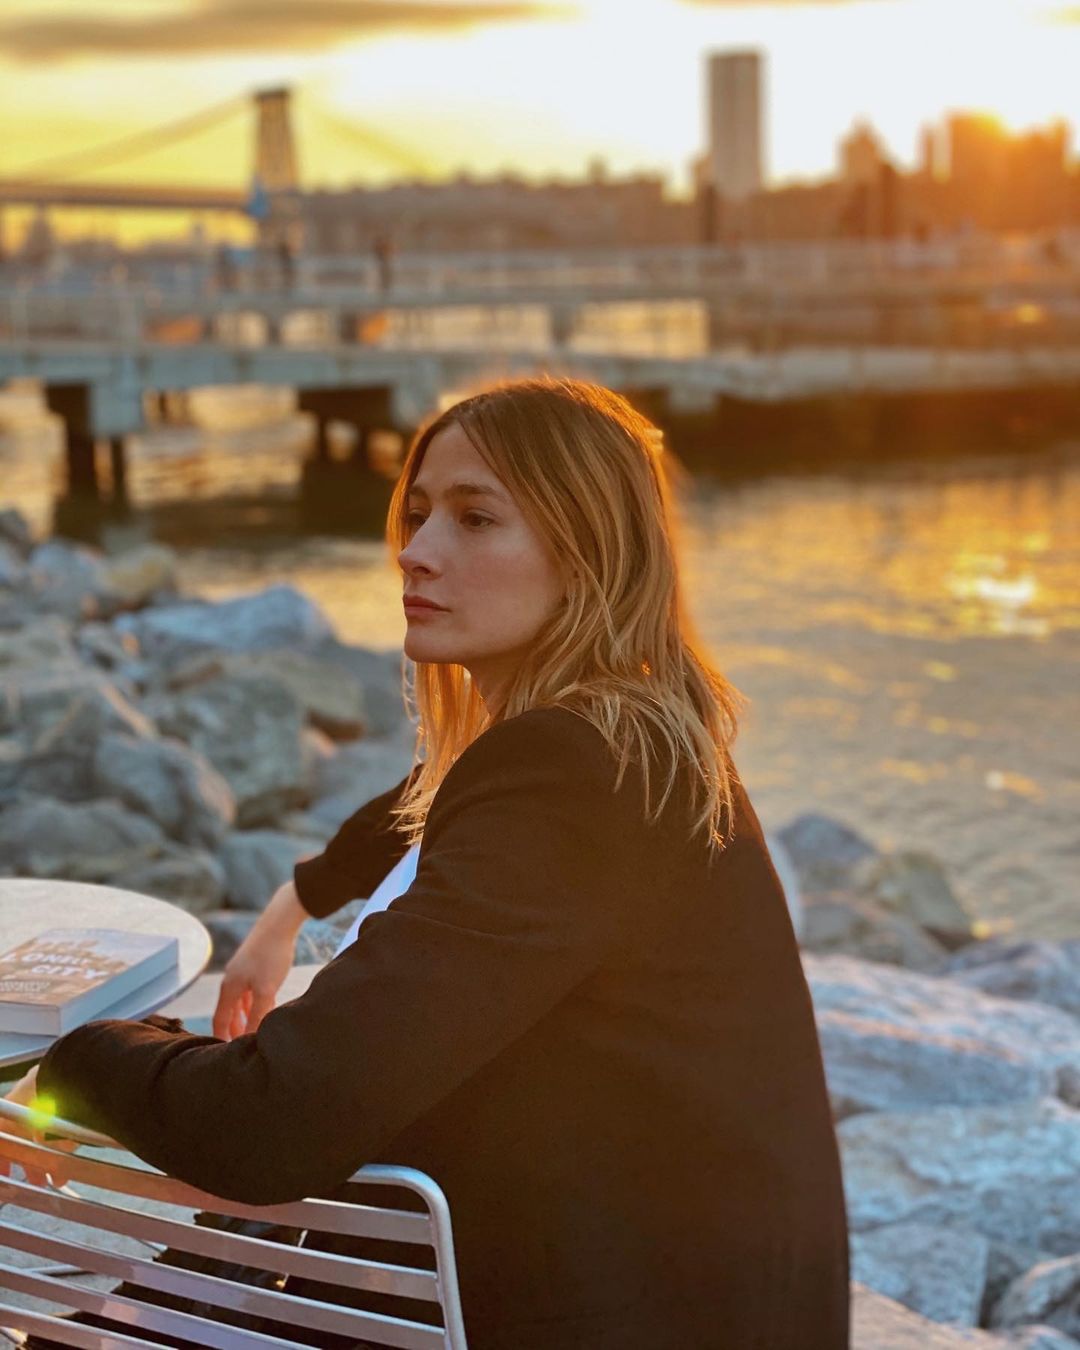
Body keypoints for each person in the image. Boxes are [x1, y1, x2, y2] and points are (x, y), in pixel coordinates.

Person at [2, 376, 851, 1349]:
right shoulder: (630, 743)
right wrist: (296, 902)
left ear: (589, 552)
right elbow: (426, 809)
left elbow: (270, 1126)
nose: (416, 550)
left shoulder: (574, 776)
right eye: (418, 514)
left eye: (475, 518)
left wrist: (80, 1057)